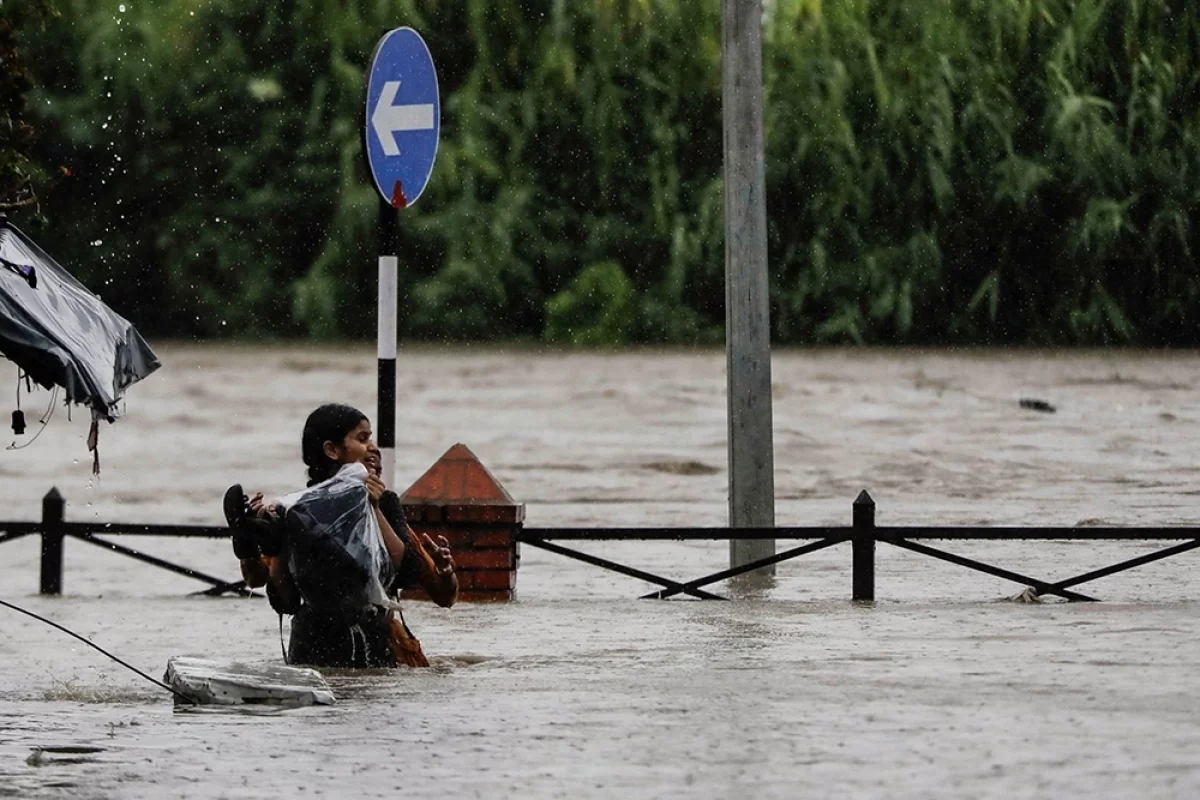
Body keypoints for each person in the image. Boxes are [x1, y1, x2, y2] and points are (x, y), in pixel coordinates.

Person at [225, 403, 457, 668]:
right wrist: (278, 544)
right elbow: (283, 600)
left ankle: (261, 530)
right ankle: (262, 532)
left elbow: (411, 573)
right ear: (332, 451)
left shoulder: (380, 503)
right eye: (362, 438)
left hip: (343, 645)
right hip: (340, 646)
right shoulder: (298, 512)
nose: (373, 447)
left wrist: (374, 507)